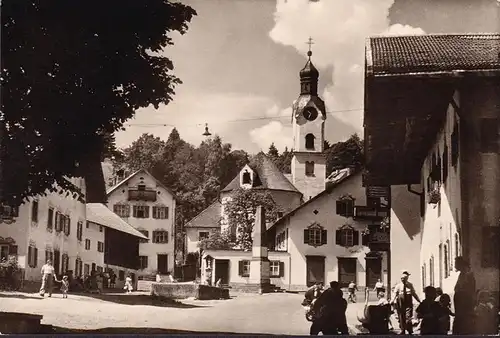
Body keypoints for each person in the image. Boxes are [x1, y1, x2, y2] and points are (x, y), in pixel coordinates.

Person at [391, 270, 421, 334]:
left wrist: (419, 300)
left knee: (408, 315)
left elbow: (413, 293)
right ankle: (403, 329)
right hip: (400, 300)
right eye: (402, 279)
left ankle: (409, 329)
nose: (403, 280)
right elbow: (395, 294)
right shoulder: (398, 286)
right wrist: (392, 300)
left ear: (407, 278)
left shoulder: (410, 285)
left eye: (405, 278)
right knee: (401, 315)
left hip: (408, 299)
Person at [452, 256, 476, 335]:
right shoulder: (462, 274)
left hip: (464, 304)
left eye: (456, 263)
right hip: (460, 305)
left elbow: (469, 290)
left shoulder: (468, 274)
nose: (454, 265)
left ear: (461, 264)